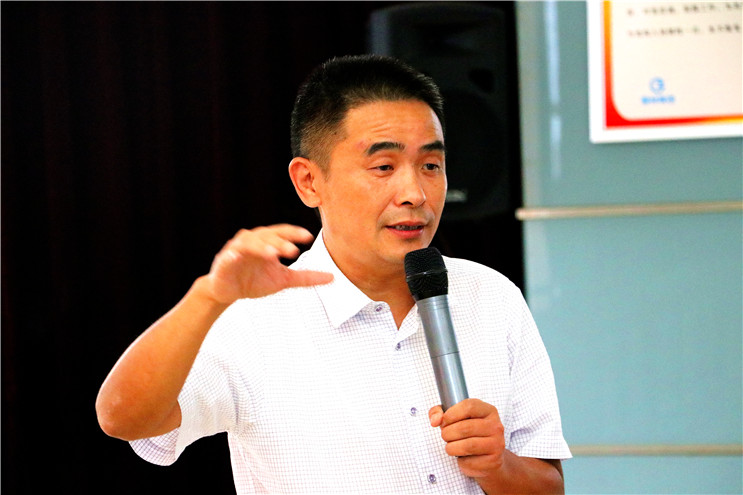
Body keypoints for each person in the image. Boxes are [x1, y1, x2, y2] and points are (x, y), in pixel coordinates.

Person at [96, 54, 571, 494]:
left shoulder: (491, 296)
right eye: (383, 166)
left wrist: (497, 465)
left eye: (431, 165)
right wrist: (208, 298)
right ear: (309, 181)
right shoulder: (254, 319)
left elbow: (548, 486)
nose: (415, 193)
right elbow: (123, 420)